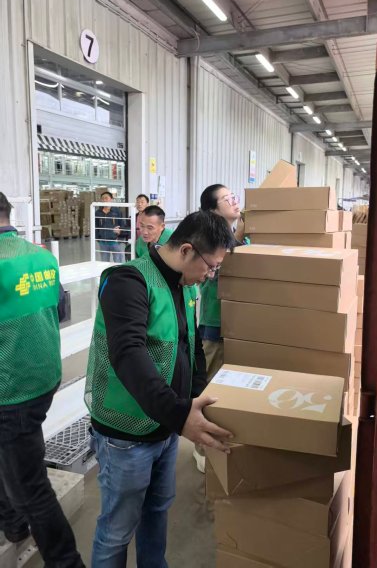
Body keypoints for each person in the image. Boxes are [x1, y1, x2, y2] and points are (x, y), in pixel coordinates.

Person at [84, 210, 235, 568]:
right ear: (186, 250)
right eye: (211, 267)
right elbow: (128, 354)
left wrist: (196, 400)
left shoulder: (185, 286)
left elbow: (190, 346)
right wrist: (180, 415)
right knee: (117, 528)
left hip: (165, 426)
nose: (210, 275)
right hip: (126, 433)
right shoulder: (128, 281)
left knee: (156, 511)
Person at [0, 192, 85, 567]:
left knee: (32, 489)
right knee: (10, 455)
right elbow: (61, 309)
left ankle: (66, 562)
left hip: (10, 388)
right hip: (44, 376)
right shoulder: (41, 255)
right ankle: (13, 523)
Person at [193, 185, 245, 473]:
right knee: (210, 388)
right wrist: (236, 240)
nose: (234, 202)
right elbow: (210, 275)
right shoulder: (208, 238)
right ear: (213, 210)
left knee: (232, 387)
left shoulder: (242, 235)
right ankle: (202, 447)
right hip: (214, 322)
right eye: (227, 199)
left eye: (233, 197)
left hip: (239, 324)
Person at [95, 191, 126, 263]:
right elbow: (96, 226)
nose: (104, 200)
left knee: (118, 262)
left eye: (106, 198)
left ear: (111, 199)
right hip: (103, 242)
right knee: (104, 262)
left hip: (115, 242)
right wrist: (98, 238)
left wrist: (120, 236)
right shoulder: (98, 212)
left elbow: (122, 224)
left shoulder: (117, 211)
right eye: (102, 198)